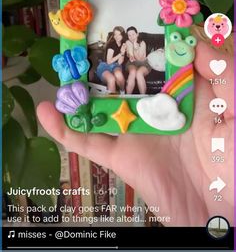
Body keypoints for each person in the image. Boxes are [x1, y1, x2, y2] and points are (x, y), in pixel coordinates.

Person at [37, 41, 233, 226]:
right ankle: (119, 100)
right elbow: (115, 61)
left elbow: (143, 57)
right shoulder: (112, 47)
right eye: (124, 35)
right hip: (111, 67)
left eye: (129, 34)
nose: (127, 37)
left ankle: (132, 98)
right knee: (122, 75)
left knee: (131, 75)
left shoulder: (140, 43)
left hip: (143, 72)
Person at [96, 26, 126, 93]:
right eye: (115, 34)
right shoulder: (111, 44)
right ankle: (113, 100)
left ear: (123, 35)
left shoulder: (123, 44)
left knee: (119, 75)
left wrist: (123, 52)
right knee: (111, 79)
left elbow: (119, 63)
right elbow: (109, 62)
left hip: (115, 65)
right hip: (105, 65)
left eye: (119, 34)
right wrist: (120, 54)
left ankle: (122, 92)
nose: (117, 36)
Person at [125, 26, 151, 94]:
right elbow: (130, 55)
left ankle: (143, 97)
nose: (131, 37)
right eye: (129, 35)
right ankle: (127, 97)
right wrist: (130, 55)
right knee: (133, 72)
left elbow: (140, 58)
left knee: (139, 74)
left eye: (133, 34)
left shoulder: (142, 43)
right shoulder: (128, 42)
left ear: (137, 34)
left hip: (144, 63)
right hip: (132, 63)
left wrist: (135, 46)